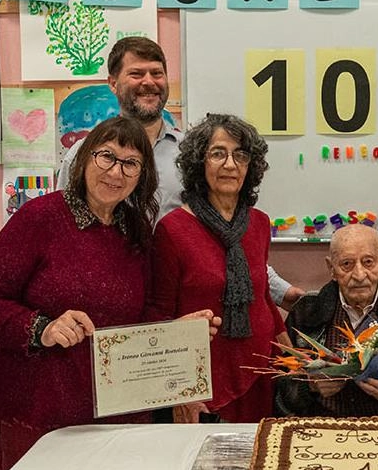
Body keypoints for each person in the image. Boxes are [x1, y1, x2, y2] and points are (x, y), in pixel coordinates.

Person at [0, 117, 216, 470]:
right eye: (107, 157)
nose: (116, 172)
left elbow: (142, 315)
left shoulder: (136, 230)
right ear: (84, 159)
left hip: (120, 414)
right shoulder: (40, 217)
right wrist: (43, 329)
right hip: (41, 410)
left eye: (130, 163)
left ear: (141, 175)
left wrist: (176, 336)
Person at [56, 37, 304, 310]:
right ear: (113, 83)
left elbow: (228, 236)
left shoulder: (195, 157)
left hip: (180, 308)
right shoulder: (83, 155)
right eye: (136, 74)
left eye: (157, 73)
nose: (148, 82)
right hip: (107, 301)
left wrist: (280, 291)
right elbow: (62, 234)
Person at [147, 113, 286, 423]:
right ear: (200, 162)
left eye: (241, 155)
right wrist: (181, 393)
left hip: (262, 373)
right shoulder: (172, 230)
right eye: (218, 153)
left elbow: (261, 296)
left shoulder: (259, 223)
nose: (230, 164)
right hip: (203, 386)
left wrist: (294, 360)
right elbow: (160, 318)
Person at [276, 225, 378, 417]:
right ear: (331, 268)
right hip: (325, 429)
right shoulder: (306, 311)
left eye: (368, 262)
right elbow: (281, 388)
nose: (359, 275)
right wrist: (311, 386)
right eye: (346, 264)